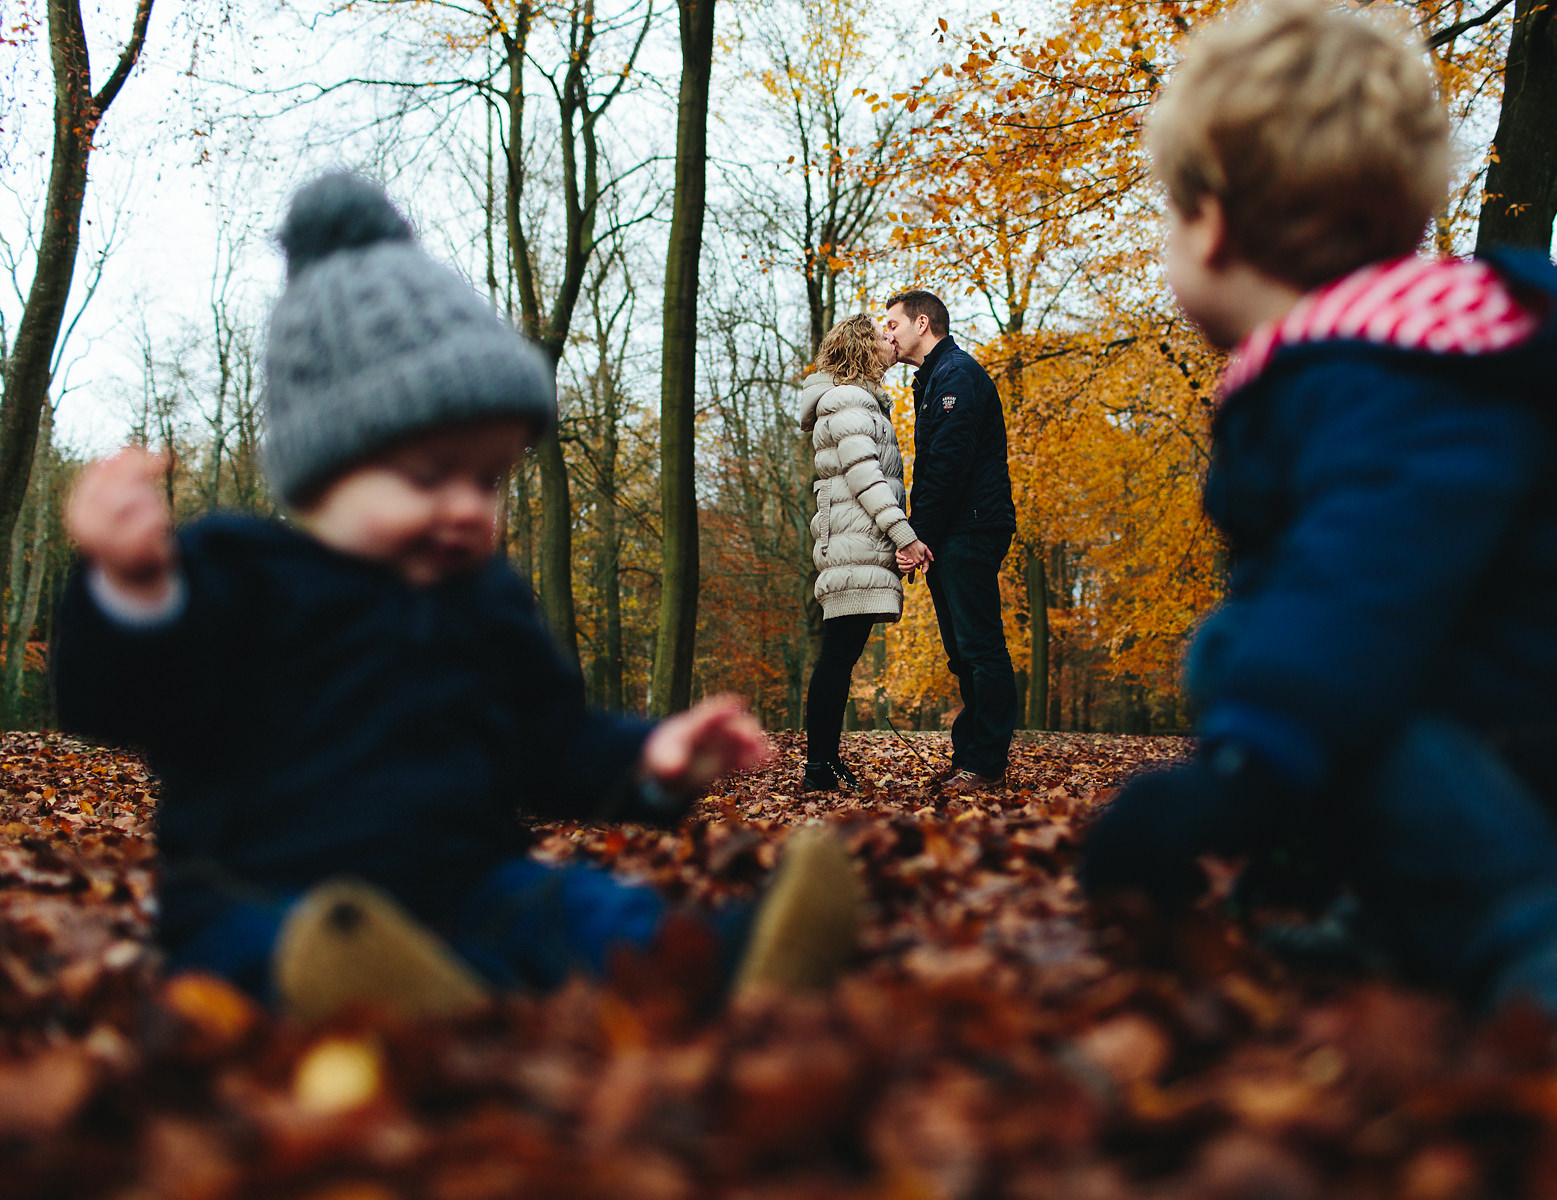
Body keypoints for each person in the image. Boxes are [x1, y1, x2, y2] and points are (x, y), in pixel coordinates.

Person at [1079, 0, 1557, 1070]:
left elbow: (1362, 583)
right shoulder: (1408, 347)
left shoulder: (1379, 375)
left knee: (1293, 679)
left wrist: (1247, 772)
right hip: (1556, 687)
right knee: (1249, 648)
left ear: (1209, 222)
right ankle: (1405, 914)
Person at [54, 172, 860, 1021]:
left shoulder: (488, 604)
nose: (469, 507)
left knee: (581, 907)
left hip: (465, 887)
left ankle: (731, 963)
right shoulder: (236, 573)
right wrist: (131, 585)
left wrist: (648, 763)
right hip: (261, 894)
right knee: (277, 950)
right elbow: (121, 698)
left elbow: (547, 742)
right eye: (431, 476)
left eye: (489, 479)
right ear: (325, 469)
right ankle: (367, 993)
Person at [882, 290, 1017, 794]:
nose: (887, 335)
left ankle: (985, 763)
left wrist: (918, 537)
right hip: (955, 530)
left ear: (922, 323)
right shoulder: (934, 378)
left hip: (972, 527)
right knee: (963, 654)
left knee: (981, 649)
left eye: (893, 324)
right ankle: (971, 757)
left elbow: (947, 464)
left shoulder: (956, 374)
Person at [798, 315, 923, 792]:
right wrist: (903, 534)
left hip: (856, 543)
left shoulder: (858, 400)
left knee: (841, 655)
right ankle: (818, 766)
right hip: (855, 544)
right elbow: (865, 477)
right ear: (859, 349)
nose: (890, 341)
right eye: (880, 337)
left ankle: (824, 763)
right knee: (836, 656)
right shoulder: (847, 400)